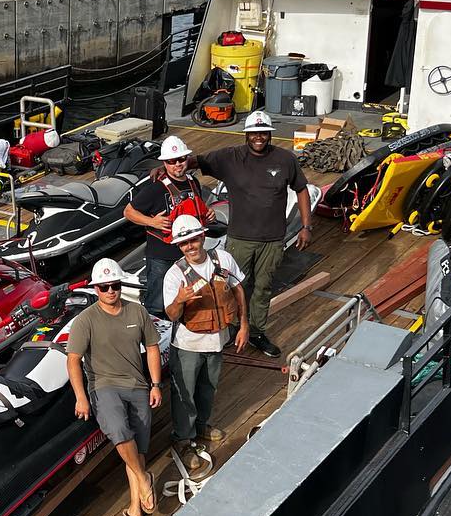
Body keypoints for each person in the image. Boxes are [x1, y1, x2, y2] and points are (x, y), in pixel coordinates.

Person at [192, 110, 311, 358]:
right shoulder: (229, 157)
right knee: (234, 286)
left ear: (269, 134)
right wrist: (169, 167)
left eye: (263, 133)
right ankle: (231, 328)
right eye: (254, 133)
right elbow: (197, 161)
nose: (258, 137)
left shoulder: (286, 159)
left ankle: (256, 332)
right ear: (246, 134)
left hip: (272, 240)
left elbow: (301, 191)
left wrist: (306, 227)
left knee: (264, 288)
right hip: (239, 239)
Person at [67, 258, 163, 516]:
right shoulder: (85, 320)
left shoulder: (137, 312)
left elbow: (153, 347)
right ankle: (145, 481)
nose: (110, 290)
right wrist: (81, 397)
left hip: (137, 384)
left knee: (138, 447)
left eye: (115, 285)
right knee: (121, 432)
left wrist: (155, 384)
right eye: (104, 287)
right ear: (96, 290)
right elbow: (73, 361)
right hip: (103, 386)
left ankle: (135, 506)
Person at [162, 215, 246, 471]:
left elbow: (238, 289)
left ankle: (201, 427)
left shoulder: (223, 259)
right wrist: (181, 299)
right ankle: (183, 440)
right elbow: (172, 315)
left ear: (202, 237)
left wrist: (244, 325)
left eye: (194, 240)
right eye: (184, 243)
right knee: (184, 394)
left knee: (208, 388)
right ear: (179, 246)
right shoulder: (174, 275)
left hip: (218, 341)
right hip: (188, 345)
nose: (190, 246)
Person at [123, 135, 212, 317]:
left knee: (187, 296)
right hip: (161, 257)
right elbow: (128, 212)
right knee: (156, 302)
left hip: (189, 254)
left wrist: (207, 214)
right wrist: (151, 221)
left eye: (181, 159)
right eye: (172, 161)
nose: (177, 164)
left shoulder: (193, 183)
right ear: (165, 163)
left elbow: (196, 207)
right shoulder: (155, 188)